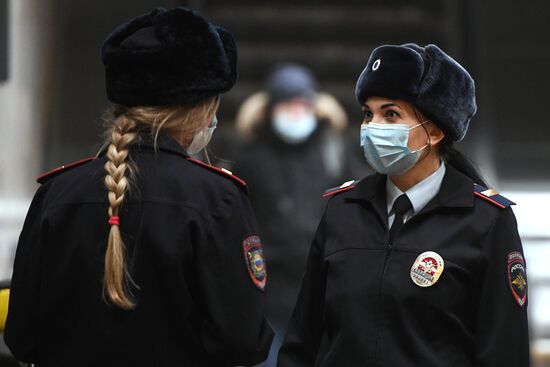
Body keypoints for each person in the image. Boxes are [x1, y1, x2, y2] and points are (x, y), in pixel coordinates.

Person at [4, 7, 273, 366]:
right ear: (201, 109)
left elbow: (21, 336)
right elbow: (243, 341)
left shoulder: (57, 194)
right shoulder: (218, 200)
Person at [277, 43, 529, 366]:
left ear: (435, 131)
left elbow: (504, 352)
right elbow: (303, 340)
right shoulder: (343, 210)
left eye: (391, 114)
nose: (373, 127)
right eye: (369, 113)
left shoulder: (486, 221)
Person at [233, 64, 357, 366]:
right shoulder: (250, 157)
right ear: (272, 108)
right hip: (269, 294)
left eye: (302, 104)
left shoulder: (334, 150)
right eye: (287, 104)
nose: (296, 112)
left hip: (323, 291)